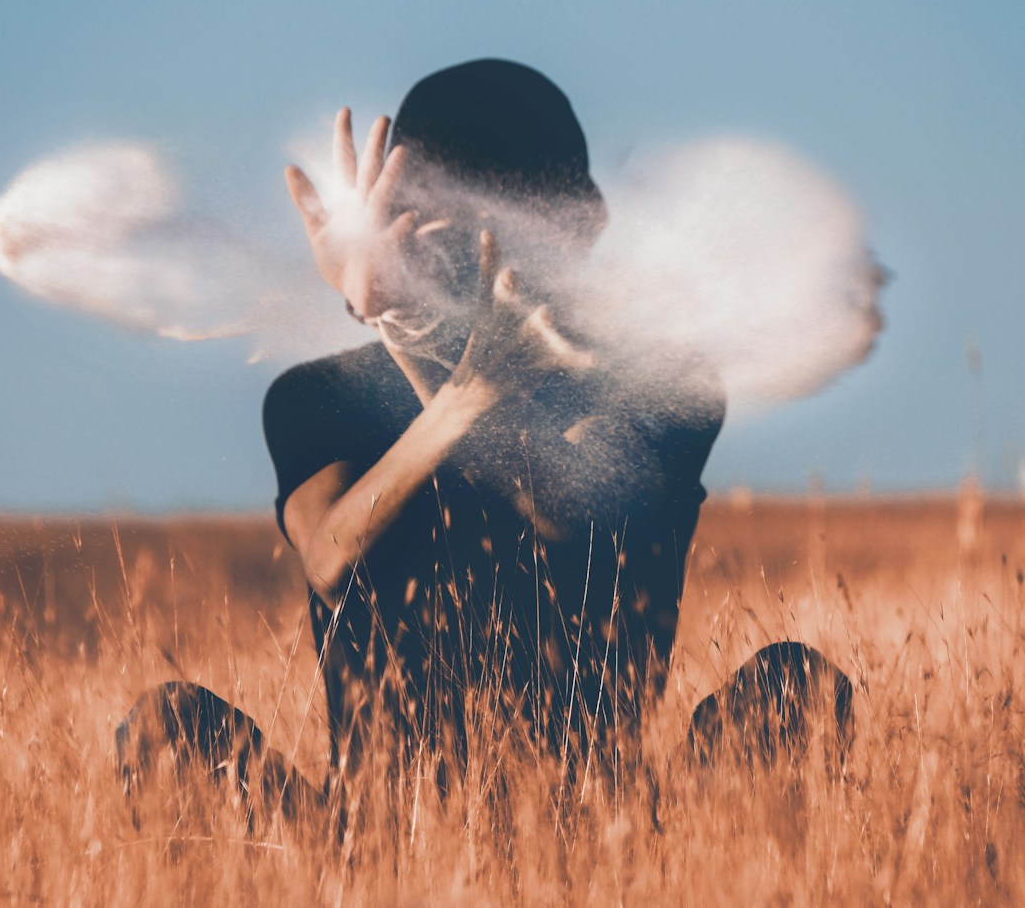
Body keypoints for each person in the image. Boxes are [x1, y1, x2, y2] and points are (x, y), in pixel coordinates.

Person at [115, 59, 848, 827]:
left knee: (795, 685)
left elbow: (571, 528)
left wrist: (439, 360)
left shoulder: (668, 390)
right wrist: (412, 341)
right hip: (376, 840)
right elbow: (333, 556)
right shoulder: (316, 397)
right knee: (167, 726)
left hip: (603, 827)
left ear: (580, 223)